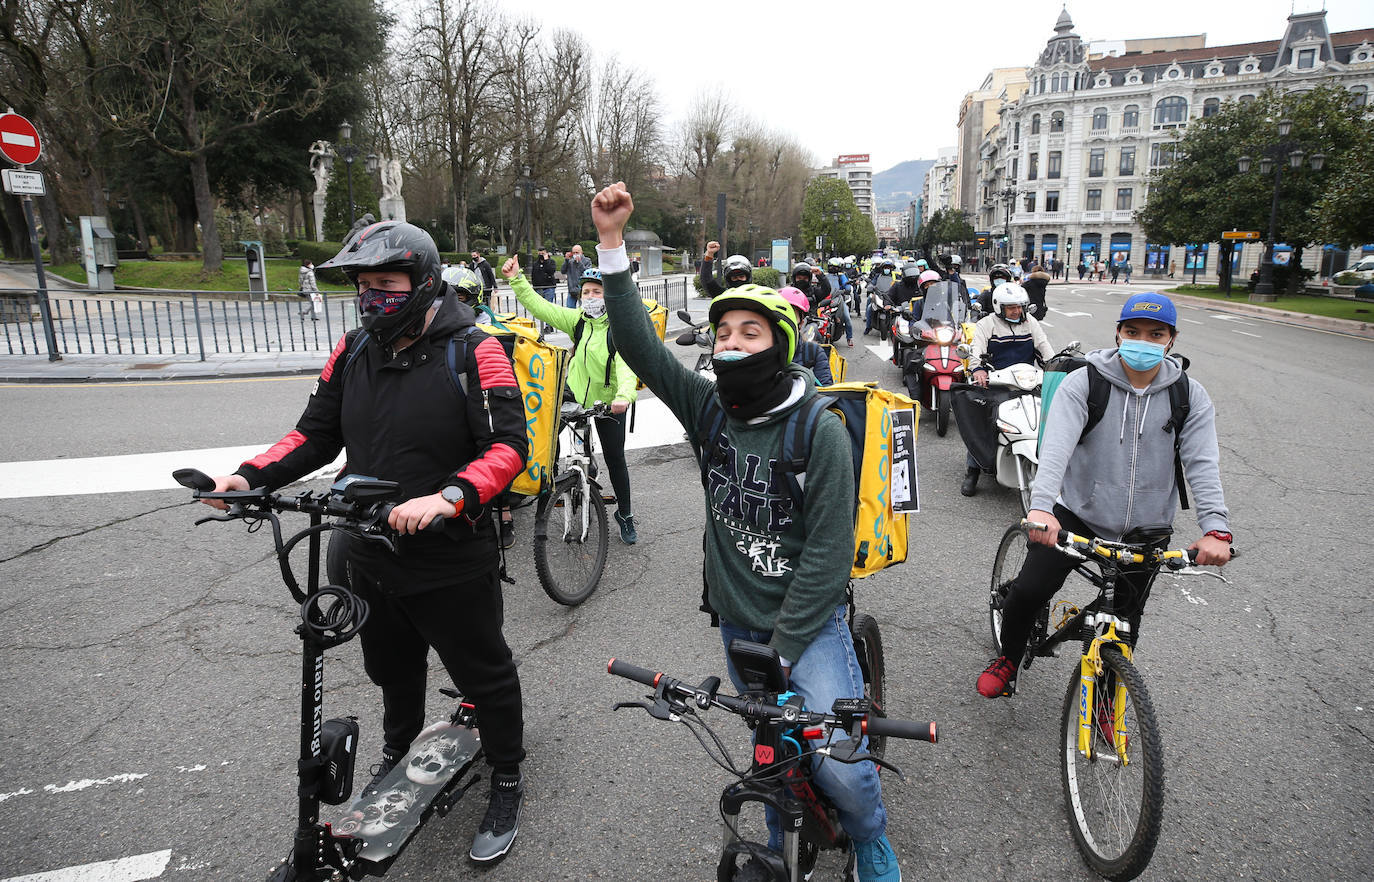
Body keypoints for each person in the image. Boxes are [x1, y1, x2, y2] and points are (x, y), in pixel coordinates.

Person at [594, 181, 903, 882]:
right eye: (723, 333)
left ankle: (873, 838)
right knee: (773, 762)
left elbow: (827, 556)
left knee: (844, 771)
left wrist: (785, 653)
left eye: (749, 333)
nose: (731, 344)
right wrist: (612, 244)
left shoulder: (817, 429)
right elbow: (641, 349)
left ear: (779, 345)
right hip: (738, 624)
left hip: (807, 628)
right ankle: (783, 842)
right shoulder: (709, 411)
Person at [202, 221, 530, 863]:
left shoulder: (476, 350)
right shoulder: (352, 349)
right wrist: (246, 477)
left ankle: (509, 775)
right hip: (361, 547)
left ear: (424, 284)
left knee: (482, 673)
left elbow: (508, 447)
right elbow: (314, 435)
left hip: (446, 550)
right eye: (363, 286)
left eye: (386, 285)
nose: (372, 297)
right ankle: (399, 750)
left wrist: (448, 497)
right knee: (391, 668)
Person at [976, 292, 1232, 698]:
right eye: (1133, 331)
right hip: (1078, 514)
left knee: (1126, 619)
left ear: (1171, 339)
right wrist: (1041, 507)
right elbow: (1056, 448)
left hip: (1146, 528)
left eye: (1155, 333)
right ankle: (1008, 658)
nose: (1143, 341)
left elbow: (1201, 463)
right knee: (1030, 590)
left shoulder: (1189, 395)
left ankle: (1105, 706)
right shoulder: (1086, 382)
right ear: (1118, 333)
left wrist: (1215, 529)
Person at [503, 258, 641, 544]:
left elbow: (628, 368)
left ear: (610, 296)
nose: (590, 297)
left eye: (597, 292)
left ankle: (625, 515)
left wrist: (623, 397)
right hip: (575, 394)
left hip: (610, 402)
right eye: (586, 292)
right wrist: (517, 279)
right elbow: (542, 306)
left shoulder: (619, 328)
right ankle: (553, 485)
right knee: (547, 438)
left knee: (616, 459)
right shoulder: (577, 321)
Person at [961, 282, 1055, 497]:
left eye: (1020, 306)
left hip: (1028, 382)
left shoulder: (1030, 322)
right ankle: (973, 470)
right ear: (998, 307)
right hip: (997, 382)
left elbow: (1044, 347)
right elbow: (976, 350)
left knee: (1045, 416)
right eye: (1011, 307)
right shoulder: (986, 324)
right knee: (984, 420)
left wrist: (1055, 366)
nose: (1017, 311)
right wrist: (978, 371)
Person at [780, 286, 834, 384]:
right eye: (780, 315)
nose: (784, 321)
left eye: (791, 315)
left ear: (801, 323)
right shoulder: (759, 349)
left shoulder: (813, 352)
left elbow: (825, 390)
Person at [823, 257, 855, 347]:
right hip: (825, 298)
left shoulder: (841, 275)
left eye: (835, 267)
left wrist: (847, 288)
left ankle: (849, 338)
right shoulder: (824, 275)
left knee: (847, 318)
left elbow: (846, 284)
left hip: (838, 298)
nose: (833, 268)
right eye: (831, 267)